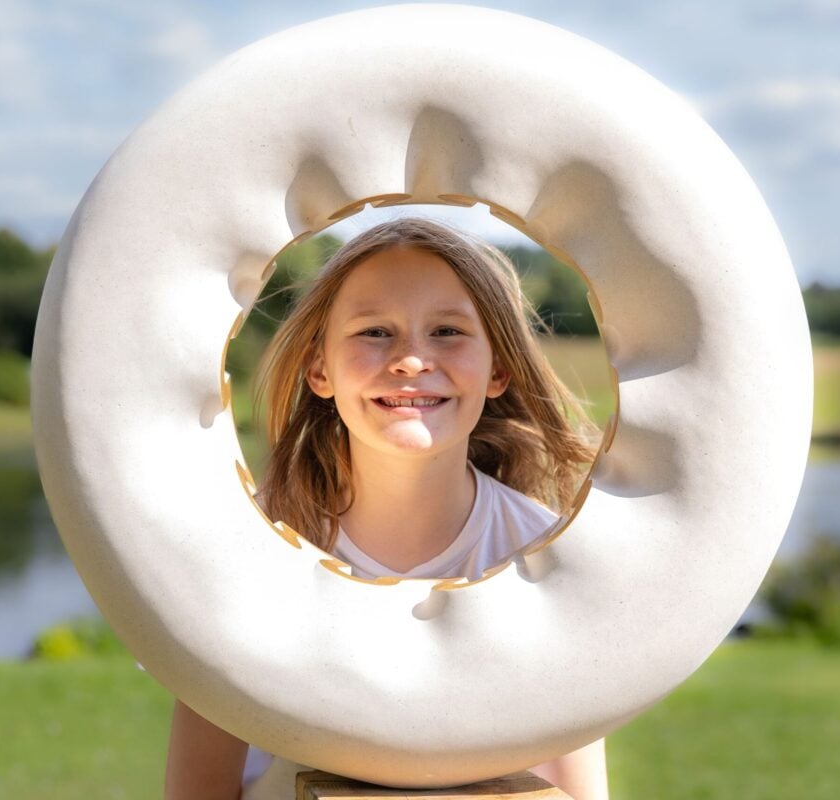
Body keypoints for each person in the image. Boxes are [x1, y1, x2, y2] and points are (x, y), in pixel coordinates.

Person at [165, 217, 608, 800]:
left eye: (448, 331)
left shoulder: (547, 556)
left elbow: (575, 790)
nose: (410, 360)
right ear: (319, 369)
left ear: (497, 369)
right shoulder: (251, 547)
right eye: (375, 332)